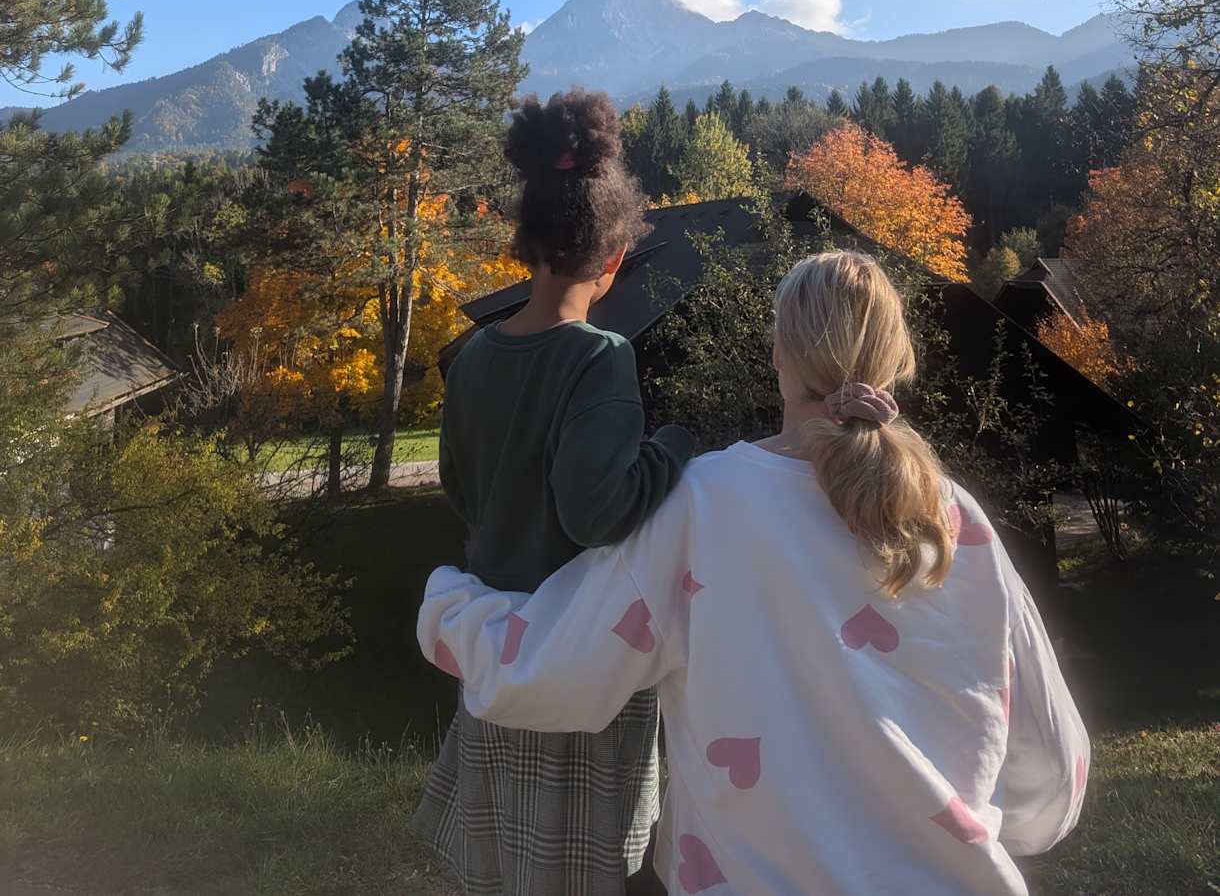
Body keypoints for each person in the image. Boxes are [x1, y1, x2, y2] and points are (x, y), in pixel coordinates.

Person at [419, 250, 1089, 896]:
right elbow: (1053, 770)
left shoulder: (702, 506)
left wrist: (448, 604)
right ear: (896, 362)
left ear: (779, 355)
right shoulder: (954, 519)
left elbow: (544, 674)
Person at [413, 89, 697, 896]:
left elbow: (459, 489)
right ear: (615, 258)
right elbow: (597, 512)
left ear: (527, 244)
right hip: (578, 653)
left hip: (496, 649)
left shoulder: (475, 356)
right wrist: (674, 448)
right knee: (582, 871)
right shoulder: (600, 357)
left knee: (506, 861)